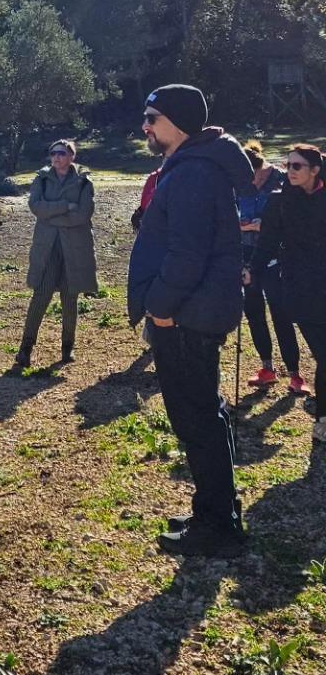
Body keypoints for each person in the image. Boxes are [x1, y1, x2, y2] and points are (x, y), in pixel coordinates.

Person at [129, 83, 253, 558]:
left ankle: (217, 528)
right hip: (191, 314)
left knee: (196, 419)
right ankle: (214, 512)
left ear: (177, 124)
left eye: (152, 118)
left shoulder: (194, 174)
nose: (145, 127)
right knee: (205, 413)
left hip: (185, 318)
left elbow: (186, 255)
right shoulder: (194, 166)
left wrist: (159, 308)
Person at [249, 144, 326, 440]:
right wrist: (251, 270)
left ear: (314, 170)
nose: (289, 171)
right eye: (288, 165)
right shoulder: (279, 202)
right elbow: (266, 243)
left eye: (297, 166)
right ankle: (322, 419)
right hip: (302, 289)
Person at [13, 140, 98, 369]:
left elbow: (83, 214)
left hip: (73, 249)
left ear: (72, 156)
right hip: (48, 248)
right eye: (53, 153)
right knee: (40, 297)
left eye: (61, 153)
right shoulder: (41, 179)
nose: (56, 157)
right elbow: (36, 207)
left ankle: (67, 348)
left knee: (70, 299)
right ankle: (25, 350)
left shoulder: (83, 182)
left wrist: (52, 215)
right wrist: (64, 206)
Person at [237, 142, 301, 391]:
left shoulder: (282, 180)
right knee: (253, 312)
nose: (249, 183)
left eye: (252, 177)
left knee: (280, 313)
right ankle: (267, 368)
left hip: (275, 257)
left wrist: (267, 225)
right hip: (245, 256)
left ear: (261, 168)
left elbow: (295, 216)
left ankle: (295, 374)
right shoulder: (238, 182)